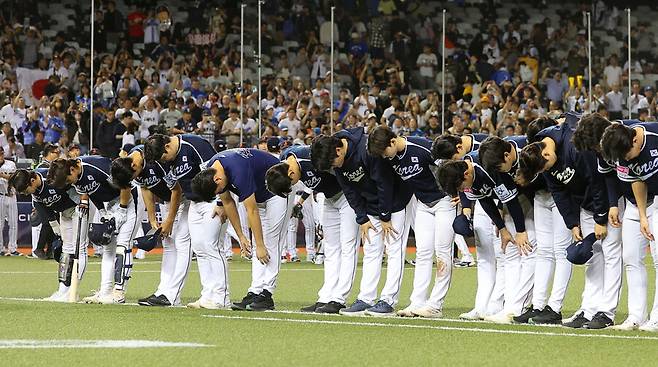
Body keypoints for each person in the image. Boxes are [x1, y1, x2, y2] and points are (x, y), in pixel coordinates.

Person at [518, 112, 620, 329]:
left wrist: (601, 218)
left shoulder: (574, 145)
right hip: (584, 205)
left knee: (611, 255)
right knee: (591, 256)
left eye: (545, 167)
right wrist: (572, 223)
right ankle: (589, 308)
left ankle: (607, 312)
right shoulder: (541, 150)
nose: (547, 172)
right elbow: (558, 191)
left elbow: (597, 181)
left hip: (608, 202)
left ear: (546, 153)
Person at [311, 128, 413, 316]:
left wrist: (385, 216)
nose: (333, 167)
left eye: (332, 162)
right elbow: (349, 190)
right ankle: (366, 298)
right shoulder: (339, 162)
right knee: (371, 251)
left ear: (339, 150)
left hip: (396, 202)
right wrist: (362, 217)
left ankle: (388, 300)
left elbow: (385, 183)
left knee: (393, 249)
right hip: (371, 207)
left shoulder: (366, 150)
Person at [367, 126, 455, 318]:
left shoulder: (422, 147)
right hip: (422, 204)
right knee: (423, 253)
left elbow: (452, 166)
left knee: (442, 253)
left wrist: (460, 194)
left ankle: (435, 305)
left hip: (444, 202)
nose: (384, 156)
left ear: (392, 142)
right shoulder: (390, 158)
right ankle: (418, 302)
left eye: (384, 151)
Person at [191, 148, 288, 311]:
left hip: (278, 189)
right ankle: (255, 291)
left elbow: (251, 211)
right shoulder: (212, 169)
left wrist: (260, 244)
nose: (219, 193)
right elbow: (228, 202)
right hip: (259, 195)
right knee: (258, 246)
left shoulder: (238, 170)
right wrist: (241, 237)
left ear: (217, 179)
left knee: (269, 243)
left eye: (217, 190)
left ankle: (267, 294)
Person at [266, 144, 359, 314]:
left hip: (348, 196)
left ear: (291, 174)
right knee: (330, 248)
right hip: (330, 198)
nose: (293, 187)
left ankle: (339, 299)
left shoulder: (311, 158)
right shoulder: (284, 160)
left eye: (290, 184)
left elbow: (344, 169)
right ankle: (325, 297)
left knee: (347, 246)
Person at [47, 156, 140, 304]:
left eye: (67, 180)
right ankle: (105, 292)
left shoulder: (98, 166)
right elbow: (92, 193)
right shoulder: (77, 179)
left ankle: (119, 292)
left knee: (123, 246)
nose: (67, 183)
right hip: (111, 203)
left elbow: (125, 185)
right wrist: (103, 212)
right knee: (108, 249)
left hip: (130, 200)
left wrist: (122, 210)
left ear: (72, 169)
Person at [143, 133, 222, 309]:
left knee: (211, 247)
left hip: (211, 201)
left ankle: (220, 296)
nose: (162, 162)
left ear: (167, 147)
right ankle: (205, 295)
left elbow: (218, 174)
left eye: (162, 157)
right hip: (193, 202)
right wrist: (170, 219)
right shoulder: (168, 159)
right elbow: (176, 189)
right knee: (199, 249)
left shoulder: (195, 144)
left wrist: (220, 202)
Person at [111, 144, 189, 307]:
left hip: (185, 199)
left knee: (182, 244)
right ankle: (163, 291)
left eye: (132, 178)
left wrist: (168, 220)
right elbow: (145, 188)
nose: (133, 180)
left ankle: (173, 295)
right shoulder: (131, 163)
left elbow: (177, 190)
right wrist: (152, 219)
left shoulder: (156, 160)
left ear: (134, 165)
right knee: (168, 245)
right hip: (169, 201)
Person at [599, 120, 658, 331]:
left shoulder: (654, 136)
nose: (623, 160)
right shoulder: (618, 141)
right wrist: (643, 215)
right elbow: (637, 180)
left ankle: (657, 318)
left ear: (635, 140)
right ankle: (635, 316)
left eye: (625, 154)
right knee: (631, 258)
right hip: (638, 202)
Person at [10, 168, 83, 301]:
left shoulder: (51, 176)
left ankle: (73, 291)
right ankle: (63, 289)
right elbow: (46, 212)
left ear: (32, 181)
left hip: (79, 209)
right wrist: (57, 230)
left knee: (79, 249)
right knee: (66, 251)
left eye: (26, 190)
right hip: (65, 213)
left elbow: (76, 184)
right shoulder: (35, 192)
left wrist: (82, 203)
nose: (26, 194)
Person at [0, 148, 18, 256]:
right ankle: (0, 249)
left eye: (1, 153)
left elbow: (14, 178)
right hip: (0, 196)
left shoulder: (10, 164)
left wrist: (2, 175)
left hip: (11, 196)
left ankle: (13, 248)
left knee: (13, 224)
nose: (1, 155)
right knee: (0, 224)